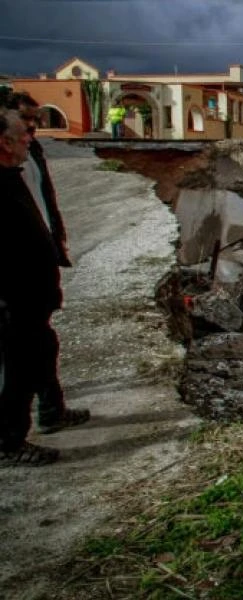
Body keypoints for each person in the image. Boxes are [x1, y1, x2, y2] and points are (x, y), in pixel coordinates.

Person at [9, 93, 89, 434]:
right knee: (18, 358)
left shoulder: (31, 154)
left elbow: (43, 202)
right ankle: (10, 437)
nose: (33, 128)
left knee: (42, 345)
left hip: (37, 266)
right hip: (14, 279)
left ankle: (51, 409)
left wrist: (55, 239)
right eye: (27, 119)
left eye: (37, 121)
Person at [0, 110, 62, 466]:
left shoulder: (14, 176)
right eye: (23, 133)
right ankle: (8, 442)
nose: (30, 138)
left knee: (39, 353)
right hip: (13, 301)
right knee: (14, 371)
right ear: (3, 142)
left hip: (31, 297)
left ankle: (52, 411)